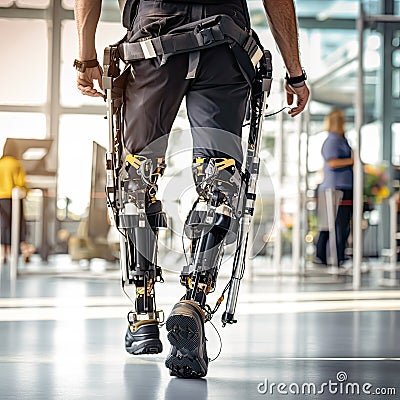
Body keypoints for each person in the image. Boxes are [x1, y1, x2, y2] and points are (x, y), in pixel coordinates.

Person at [74, 0, 309, 378]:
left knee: (135, 177)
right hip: (226, 47)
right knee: (221, 180)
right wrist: (295, 74)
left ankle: (144, 309)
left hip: (155, 41)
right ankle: (194, 301)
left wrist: (86, 57)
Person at [316, 109, 353, 266]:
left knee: (340, 224)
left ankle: (337, 256)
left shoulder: (341, 140)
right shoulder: (332, 141)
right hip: (335, 188)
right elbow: (332, 162)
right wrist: (352, 161)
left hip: (343, 187)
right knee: (333, 224)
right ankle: (329, 257)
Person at [0, 143, 35, 264]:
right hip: (12, 199)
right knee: (17, 225)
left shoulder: (0, 162)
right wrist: (27, 191)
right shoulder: (15, 163)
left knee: (3, 225)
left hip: (0, 199)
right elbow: (20, 182)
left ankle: (3, 254)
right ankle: (21, 251)